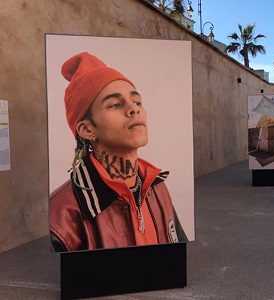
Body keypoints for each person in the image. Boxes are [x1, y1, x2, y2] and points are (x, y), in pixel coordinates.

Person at [50, 52, 187, 252]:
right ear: (87, 129)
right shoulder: (61, 215)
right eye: (115, 104)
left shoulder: (157, 188)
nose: (134, 109)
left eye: (137, 102)